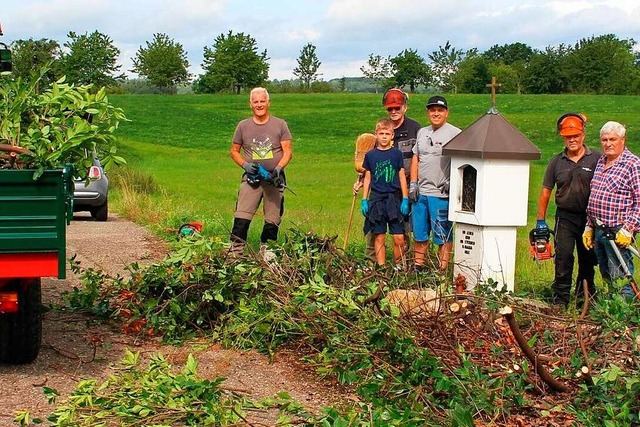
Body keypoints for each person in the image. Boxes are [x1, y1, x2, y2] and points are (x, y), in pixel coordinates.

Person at [536, 113, 600, 308]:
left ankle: (584, 300)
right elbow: (546, 191)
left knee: (587, 260)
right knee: (563, 257)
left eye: (576, 136)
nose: (572, 140)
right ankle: (560, 301)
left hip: (590, 219)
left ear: (583, 135)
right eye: (568, 136)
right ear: (562, 137)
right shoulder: (557, 161)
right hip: (565, 217)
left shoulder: (596, 158)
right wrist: (540, 220)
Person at [353, 88, 421, 261]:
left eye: (397, 108)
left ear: (405, 107)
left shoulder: (415, 129)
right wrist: (360, 182)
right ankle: (372, 264)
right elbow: (370, 164)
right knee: (375, 229)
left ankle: (402, 266)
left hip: (403, 187)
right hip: (379, 189)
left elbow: (419, 158)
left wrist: (414, 185)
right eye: (390, 108)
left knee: (402, 231)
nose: (394, 112)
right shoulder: (381, 129)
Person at [229, 87, 293, 258]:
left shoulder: (280, 124)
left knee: (273, 218)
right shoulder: (243, 126)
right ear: (251, 104)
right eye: (255, 102)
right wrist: (245, 165)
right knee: (242, 215)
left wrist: (278, 168)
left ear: (268, 102)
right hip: (252, 178)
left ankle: (267, 252)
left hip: (274, 179)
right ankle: (235, 254)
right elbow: (234, 151)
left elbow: (288, 151)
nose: (259, 105)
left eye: (262, 101)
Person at [584, 121, 640, 299]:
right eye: (604, 140)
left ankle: (625, 317)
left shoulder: (633, 164)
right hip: (600, 229)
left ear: (623, 140)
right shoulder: (602, 161)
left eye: (613, 139)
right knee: (607, 274)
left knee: (621, 276)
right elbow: (596, 194)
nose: (608, 143)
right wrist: (589, 226)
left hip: (618, 231)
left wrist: (629, 228)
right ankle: (612, 311)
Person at [409, 95, 461, 272]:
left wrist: (452, 180)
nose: (436, 113)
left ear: (447, 113)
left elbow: (462, 161)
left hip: (440, 194)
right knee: (420, 233)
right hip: (420, 193)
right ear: (427, 112)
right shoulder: (422, 132)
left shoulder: (456, 134)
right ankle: (418, 267)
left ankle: (442, 270)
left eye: (440, 110)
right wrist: (413, 183)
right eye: (432, 110)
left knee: (443, 234)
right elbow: (417, 157)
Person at [361, 118, 410, 267]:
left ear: (392, 136)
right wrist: (364, 199)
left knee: (399, 237)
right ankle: (381, 267)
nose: (384, 136)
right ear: (376, 134)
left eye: (387, 133)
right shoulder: (370, 155)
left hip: (394, 198)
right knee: (379, 236)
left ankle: (398, 267)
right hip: (377, 198)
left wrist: (405, 198)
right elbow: (368, 177)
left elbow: (401, 175)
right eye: (381, 133)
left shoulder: (396, 154)